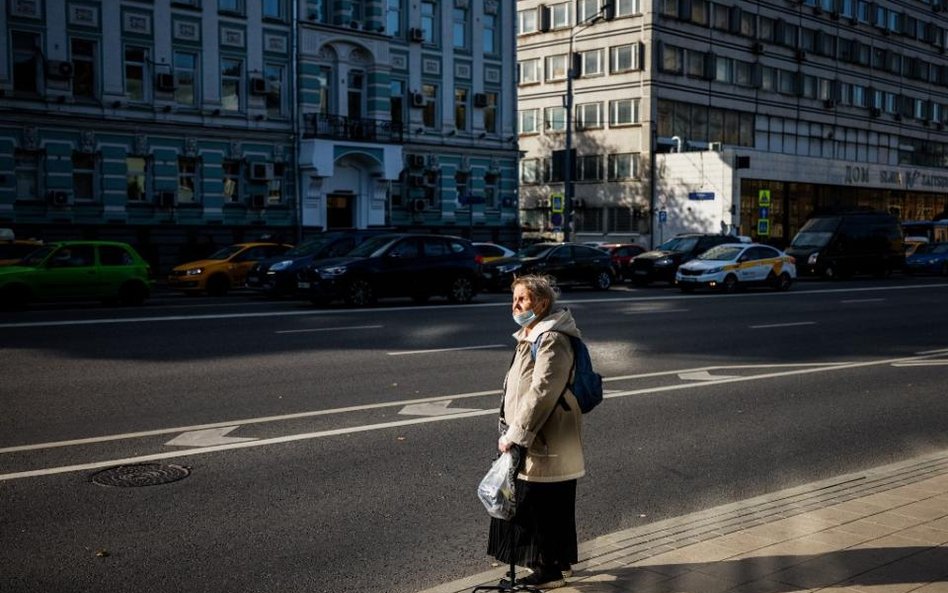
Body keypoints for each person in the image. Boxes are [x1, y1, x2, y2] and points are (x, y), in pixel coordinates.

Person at [487, 274, 585, 590]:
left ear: (541, 303)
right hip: (538, 434)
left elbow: (543, 391)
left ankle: (548, 569)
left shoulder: (552, 338)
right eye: (514, 298)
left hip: (546, 436)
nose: (516, 305)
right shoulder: (533, 333)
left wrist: (516, 433)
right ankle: (559, 561)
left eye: (523, 299)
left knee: (538, 505)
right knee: (550, 501)